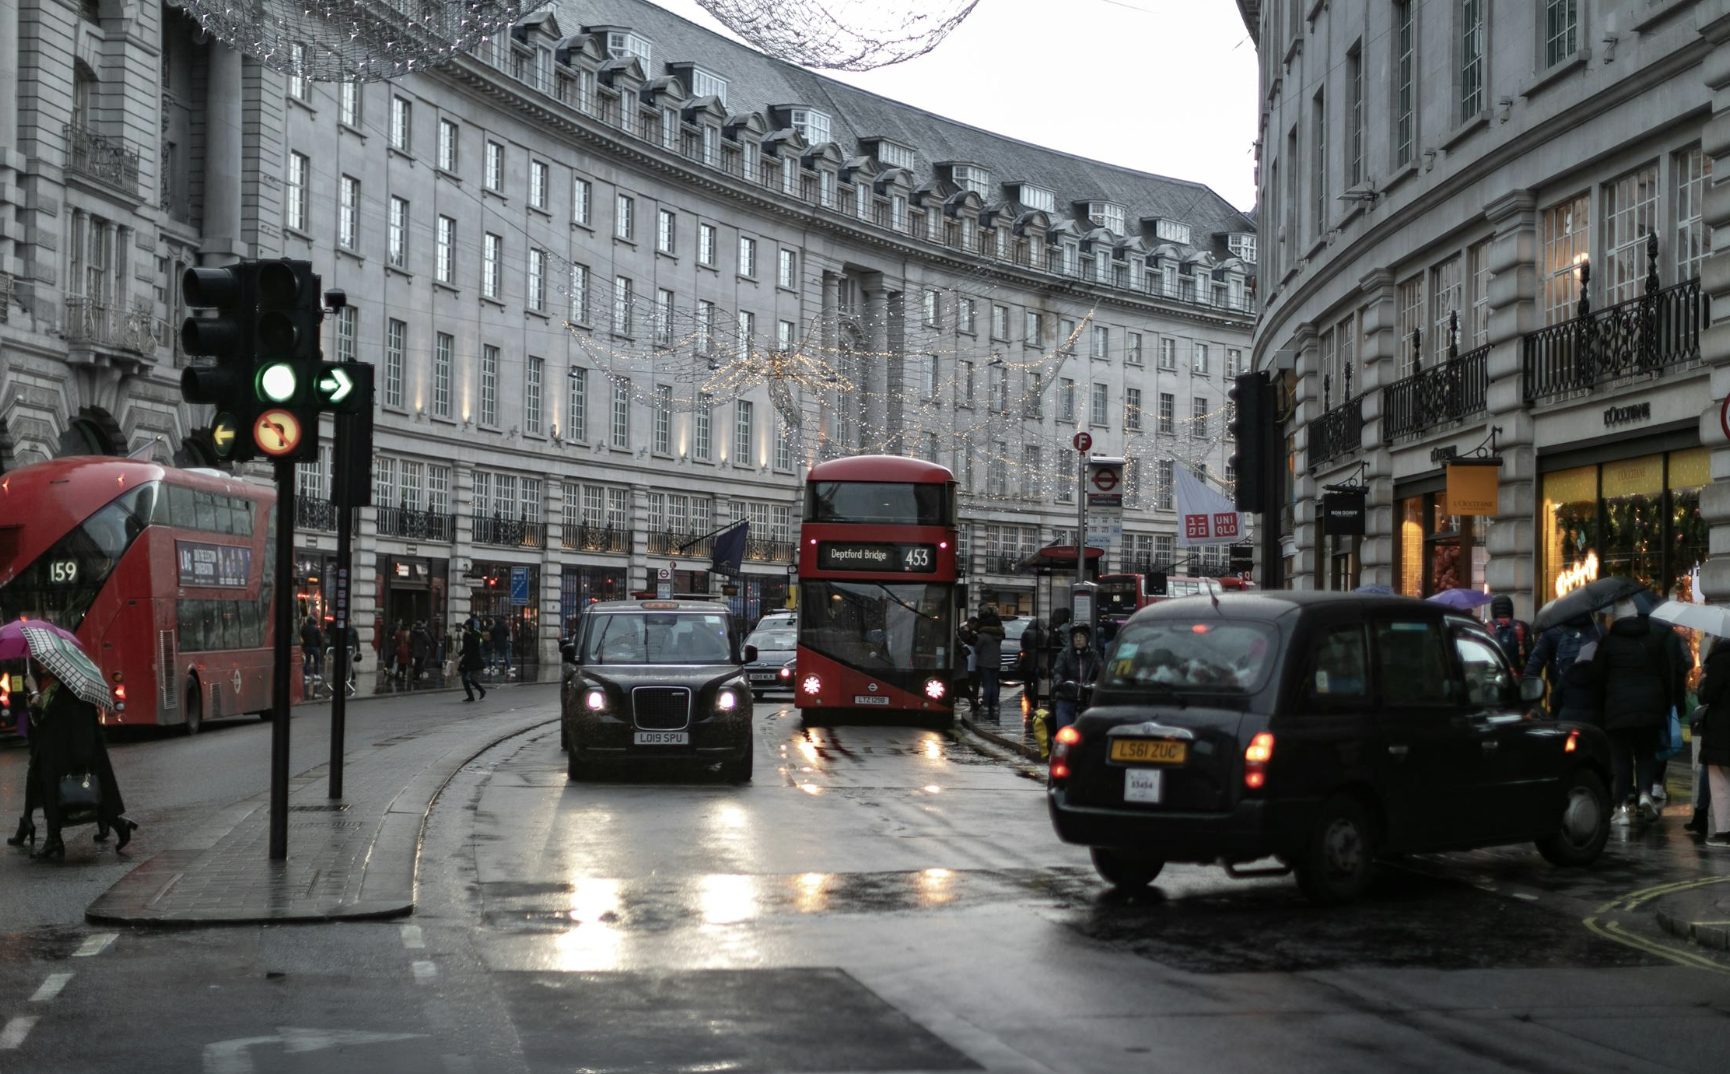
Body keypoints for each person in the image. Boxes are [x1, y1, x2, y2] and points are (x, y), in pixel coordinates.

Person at [1587, 599, 1681, 825]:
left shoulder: (1608, 643)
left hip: (1618, 708)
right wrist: (1667, 703)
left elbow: (1597, 678)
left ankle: (1622, 807)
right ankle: (1645, 793)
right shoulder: (1653, 639)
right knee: (1646, 754)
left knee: (1621, 757)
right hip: (1651, 706)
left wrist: (1600, 707)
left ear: (1616, 619)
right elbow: (1666, 674)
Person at [29, 667, 137, 860]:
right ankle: (54, 839)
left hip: (68, 756)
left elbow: (79, 725)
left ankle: (119, 825)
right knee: (60, 797)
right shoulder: (57, 687)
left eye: (44, 664)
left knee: (85, 797)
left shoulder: (71, 690)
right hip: (56, 754)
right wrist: (35, 697)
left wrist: (81, 760)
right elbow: (41, 717)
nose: (41, 666)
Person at [1524, 612, 1601, 716]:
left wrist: (1531, 701)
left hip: (1562, 699)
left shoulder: (1552, 631)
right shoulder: (1599, 631)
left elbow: (1535, 664)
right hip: (1593, 700)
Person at [1693, 634, 1730, 847]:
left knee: (1718, 782)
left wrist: (1705, 682)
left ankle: (1724, 831)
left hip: (1720, 728)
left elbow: (1709, 695)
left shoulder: (1719, 659)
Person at [1052, 624, 1103, 731]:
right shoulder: (1065, 654)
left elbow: (1102, 671)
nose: (1078, 639)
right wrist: (1059, 681)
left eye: (1082, 636)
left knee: (1093, 730)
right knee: (1063, 729)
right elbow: (1058, 670)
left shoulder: (1094, 655)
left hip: (1087, 699)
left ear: (1087, 639)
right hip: (1067, 697)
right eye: (1076, 637)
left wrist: (1098, 683)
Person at [974, 604, 1005, 720]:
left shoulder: (983, 636)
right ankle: (995, 704)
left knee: (987, 684)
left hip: (985, 662)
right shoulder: (999, 637)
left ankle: (986, 704)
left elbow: (977, 649)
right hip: (996, 661)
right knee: (994, 683)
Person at [1488, 596, 1533, 673]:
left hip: (1495, 675)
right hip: (1518, 675)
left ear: (1493, 610)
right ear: (1511, 609)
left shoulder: (1487, 627)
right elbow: (1530, 654)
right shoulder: (1522, 626)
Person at [459, 618, 488, 702]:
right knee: (464, 679)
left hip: (474, 658)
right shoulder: (465, 634)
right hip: (467, 658)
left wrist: (470, 634)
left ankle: (481, 690)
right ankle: (470, 696)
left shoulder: (477, 633)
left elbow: (480, 643)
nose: (466, 627)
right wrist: (459, 654)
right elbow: (465, 647)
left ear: (471, 625)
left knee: (469, 678)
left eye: (467, 625)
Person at [1018, 618, 1045, 707]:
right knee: (1036, 682)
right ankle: (1034, 700)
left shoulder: (1026, 633)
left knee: (1027, 682)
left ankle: (1028, 698)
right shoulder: (1041, 633)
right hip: (1038, 660)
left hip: (1027, 660)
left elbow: (1022, 645)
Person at [300, 616, 324, 681]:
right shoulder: (316, 629)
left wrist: (303, 645)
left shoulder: (304, 628)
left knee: (307, 661)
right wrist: (319, 645)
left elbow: (302, 637)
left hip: (307, 647)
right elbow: (319, 639)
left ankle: (306, 675)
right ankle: (316, 674)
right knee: (317, 661)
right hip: (315, 647)